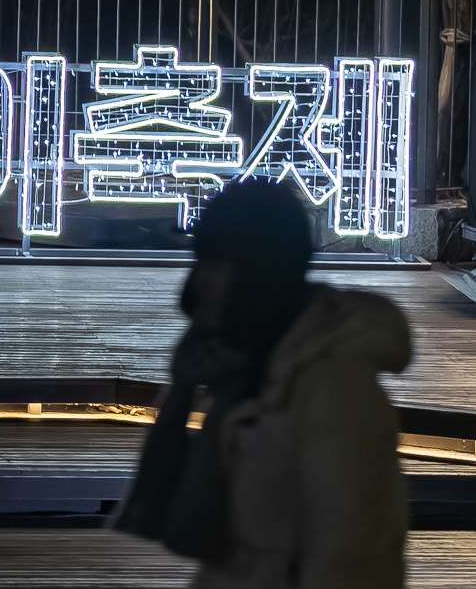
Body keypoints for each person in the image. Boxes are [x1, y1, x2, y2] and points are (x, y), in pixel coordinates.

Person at [116, 177, 410, 588]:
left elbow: (353, 550)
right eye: (202, 263)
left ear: (262, 272)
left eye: (217, 266)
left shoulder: (335, 388)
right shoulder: (244, 365)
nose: (200, 282)